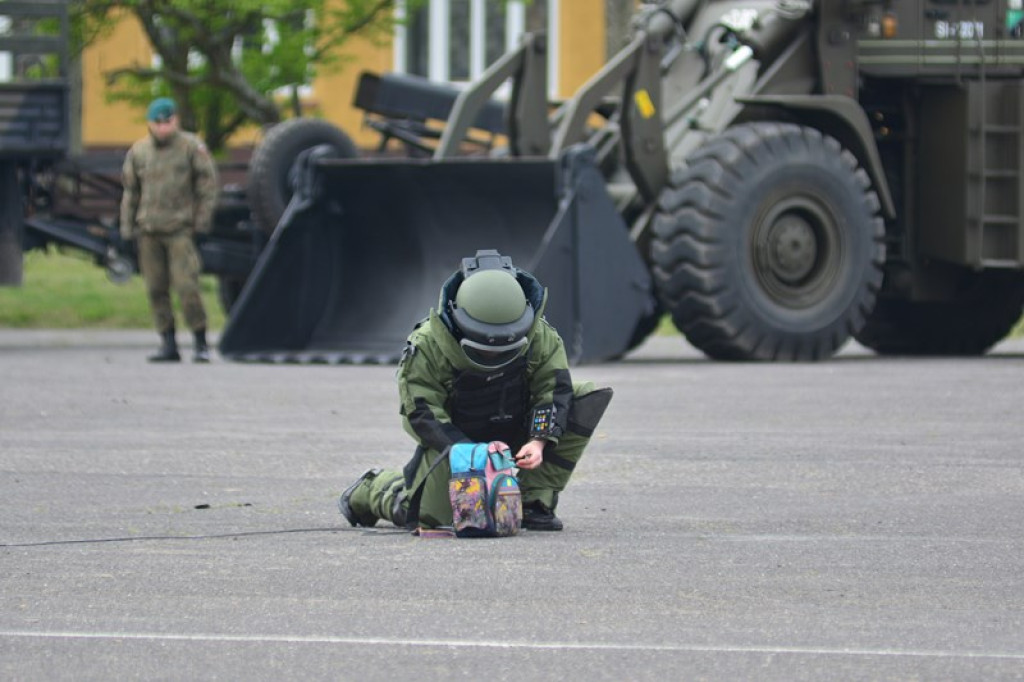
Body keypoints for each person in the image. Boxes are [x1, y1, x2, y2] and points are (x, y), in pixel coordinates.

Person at [338, 249, 613, 533]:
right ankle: (373, 488)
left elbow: (553, 390)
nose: (493, 356)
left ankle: (532, 500)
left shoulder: (541, 337)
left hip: (514, 432)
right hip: (455, 445)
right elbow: (421, 412)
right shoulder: (428, 345)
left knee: (582, 397)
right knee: (430, 516)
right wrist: (467, 454)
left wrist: (539, 440)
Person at [120, 97, 218, 363]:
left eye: (168, 121)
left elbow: (207, 186)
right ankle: (168, 342)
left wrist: (202, 222)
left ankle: (200, 342)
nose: (163, 127)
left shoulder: (190, 147)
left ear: (176, 120)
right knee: (155, 288)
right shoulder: (139, 152)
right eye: (158, 122)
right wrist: (127, 230)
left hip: (179, 229)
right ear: (149, 124)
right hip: (149, 229)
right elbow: (131, 192)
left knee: (187, 286)